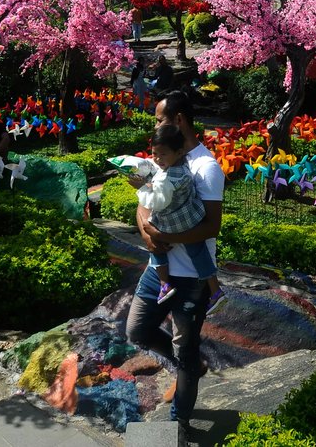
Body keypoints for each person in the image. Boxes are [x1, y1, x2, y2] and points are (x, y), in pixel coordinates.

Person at [126, 91, 224, 443]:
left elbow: (211, 226)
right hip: (159, 271)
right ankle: (191, 369)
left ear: (179, 120)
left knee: (186, 348)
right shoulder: (162, 156)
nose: (155, 126)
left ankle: (177, 423)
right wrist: (148, 233)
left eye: (159, 119)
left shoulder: (205, 168)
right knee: (137, 330)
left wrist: (163, 233)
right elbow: (144, 203)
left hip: (191, 278)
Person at [137, 124, 225, 311]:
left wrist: (141, 188)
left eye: (162, 155)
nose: (158, 159)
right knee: (198, 251)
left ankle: (164, 284)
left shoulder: (166, 178)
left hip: (172, 222)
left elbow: (157, 201)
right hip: (190, 218)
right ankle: (215, 290)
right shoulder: (184, 165)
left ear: (178, 152)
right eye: (154, 154)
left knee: (154, 240)